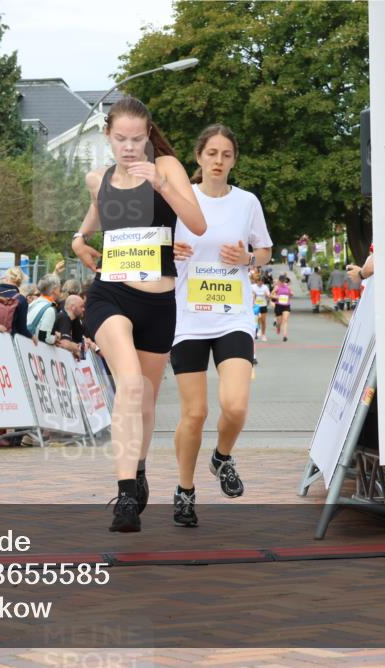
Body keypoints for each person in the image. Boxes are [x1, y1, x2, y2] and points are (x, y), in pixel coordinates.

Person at [70, 96, 206, 532]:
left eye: (136, 139)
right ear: (107, 136)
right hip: (111, 294)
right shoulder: (99, 178)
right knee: (128, 384)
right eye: (119, 139)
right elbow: (93, 221)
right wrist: (78, 240)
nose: (128, 148)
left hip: (159, 302)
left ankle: (139, 466)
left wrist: (162, 186)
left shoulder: (167, 168)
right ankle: (125, 494)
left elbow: (198, 224)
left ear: (148, 136)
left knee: (144, 399)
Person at [169, 124, 272, 527]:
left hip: (233, 315)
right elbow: (150, 246)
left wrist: (248, 259)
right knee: (194, 413)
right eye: (211, 153)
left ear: (234, 160)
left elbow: (264, 250)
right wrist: (169, 249)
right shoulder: (181, 200)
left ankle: (222, 456)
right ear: (198, 157)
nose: (218, 161)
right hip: (188, 318)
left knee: (236, 405)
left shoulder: (246, 202)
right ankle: (185, 489)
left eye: (226, 154)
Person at [0, 266, 33, 337]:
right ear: (20, 283)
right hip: (7, 340)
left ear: (6, 278)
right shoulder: (21, 299)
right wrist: (32, 337)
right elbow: (22, 329)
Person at [27, 274, 61, 344]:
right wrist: (55, 338)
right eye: (59, 287)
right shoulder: (50, 309)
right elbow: (44, 337)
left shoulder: (34, 303)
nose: (60, 290)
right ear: (54, 290)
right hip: (36, 349)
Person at [271, 274, 294, 341]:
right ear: (279, 280)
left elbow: (291, 293)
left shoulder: (288, 287)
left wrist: (291, 294)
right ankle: (278, 327)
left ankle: (284, 335)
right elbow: (271, 295)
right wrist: (276, 297)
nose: (282, 282)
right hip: (278, 306)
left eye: (283, 281)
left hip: (286, 305)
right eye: (281, 281)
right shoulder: (277, 287)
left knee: (285, 320)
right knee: (279, 322)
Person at [250, 273, 271, 341]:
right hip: (255, 306)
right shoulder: (252, 286)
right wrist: (253, 295)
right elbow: (249, 295)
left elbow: (269, 297)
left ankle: (263, 334)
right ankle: (256, 332)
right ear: (257, 281)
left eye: (262, 281)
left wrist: (266, 295)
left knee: (263, 321)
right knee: (256, 319)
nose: (261, 283)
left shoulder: (265, 287)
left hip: (263, 305)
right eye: (259, 281)